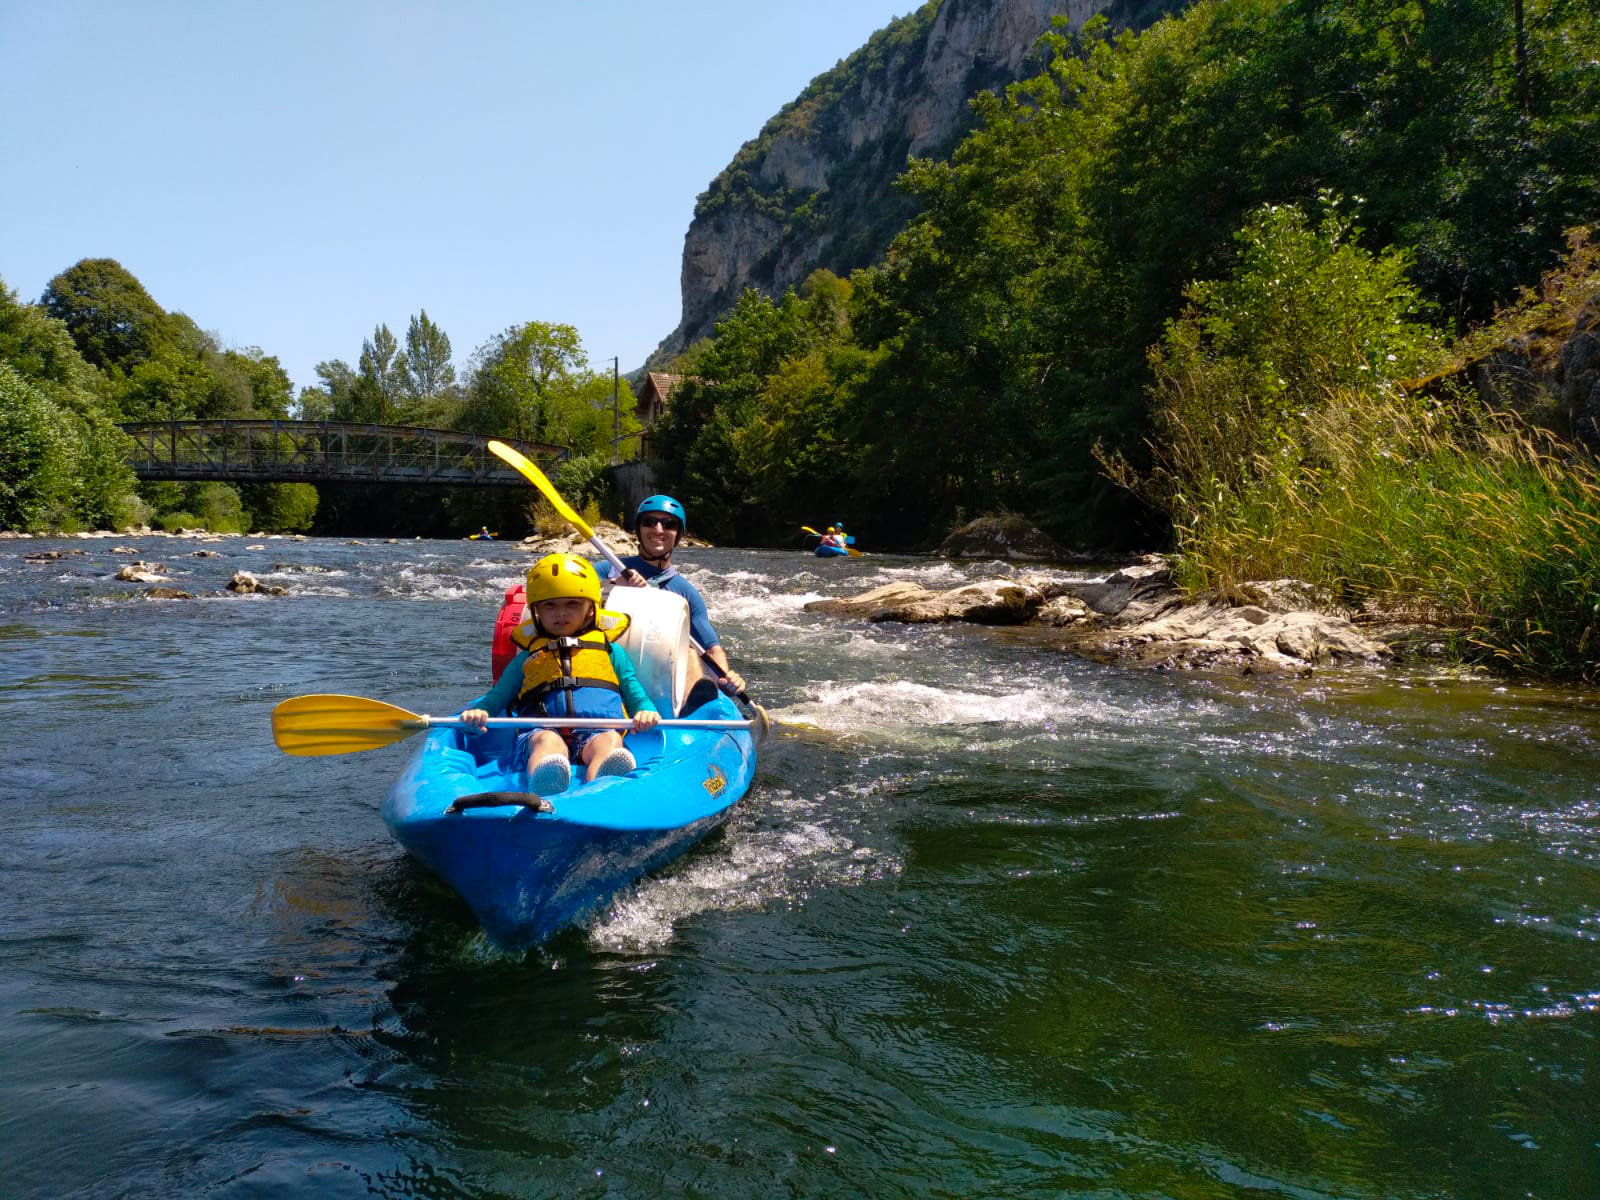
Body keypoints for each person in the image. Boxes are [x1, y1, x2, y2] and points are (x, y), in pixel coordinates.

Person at [461, 553, 660, 793]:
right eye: (550, 605)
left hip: (599, 730)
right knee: (547, 743)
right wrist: (480, 712)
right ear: (537, 612)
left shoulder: (610, 651)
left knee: (610, 742)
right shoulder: (527, 658)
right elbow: (499, 695)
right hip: (541, 730)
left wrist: (645, 710)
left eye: (572, 604)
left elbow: (632, 687)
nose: (561, 613)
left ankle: (602, 785)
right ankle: (547, 780)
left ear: (590, 609)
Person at [601, 494, 747, 696]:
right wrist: (614, 586)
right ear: (639, 529)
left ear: (678, 534)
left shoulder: (685, 592)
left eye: (669, 524)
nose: (658, 530)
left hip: (654, 675)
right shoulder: (610, 569)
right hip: (606, 661)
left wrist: (728, 676)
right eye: (649, 522)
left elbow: (711, 648)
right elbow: (569, 602)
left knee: (689, 652)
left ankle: (695, 709)